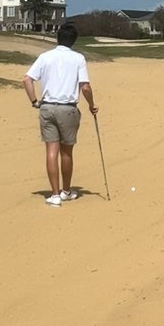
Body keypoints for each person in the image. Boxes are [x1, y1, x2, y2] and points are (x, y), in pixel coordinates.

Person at [23, 22, 98, 206]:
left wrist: (34, 101)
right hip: (68, 108)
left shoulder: (45, 56)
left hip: (47, 107)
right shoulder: (78, 58)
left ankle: (54, 195)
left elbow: (27, 79)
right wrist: (92, 105)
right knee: (66, 152)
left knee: (51, 151)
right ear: (73, 40)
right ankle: (66, 191)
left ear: (58, 37)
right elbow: (85, 86)